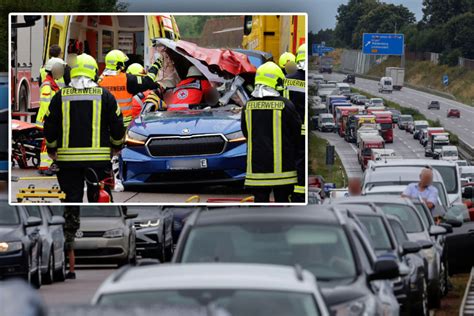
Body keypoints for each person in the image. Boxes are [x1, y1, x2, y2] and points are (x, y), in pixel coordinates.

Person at [43, 53, 125, 203]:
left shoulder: (60, 96)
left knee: (71, 200)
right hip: (99, 162)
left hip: (67, 162)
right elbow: (117, 124)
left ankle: (71, 225)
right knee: (99, 200)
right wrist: (116, 146)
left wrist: (52, 149)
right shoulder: (106, 96)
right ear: (94, 72)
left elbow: (50, 125)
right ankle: (98, 225)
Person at [241, 61, 303, 203]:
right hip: (284, 172)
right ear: (277, 81)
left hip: (256, 172)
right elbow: (296, 133)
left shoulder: (248, 106)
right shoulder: (286, 105)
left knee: (260, 207)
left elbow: (246, 133)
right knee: (282, 208)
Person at [98, 49, 163, 127]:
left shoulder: (99, 80)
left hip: (105, 125)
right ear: (119, 64)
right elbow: (148, 81)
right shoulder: (127, 79)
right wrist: (156, 65)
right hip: (123, 125)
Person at [36, 57, 67, 175]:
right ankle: (45, 166)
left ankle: (49, 164)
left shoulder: (52, 83)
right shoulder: (48, 85)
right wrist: (49, 119)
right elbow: (45, 104)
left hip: (50, 119)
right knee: (47, 141)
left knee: (51, 141)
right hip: (47, 119)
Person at [284, 44, 307, 202]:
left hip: (295, 129)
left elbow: (285, 105)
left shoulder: (289, 80)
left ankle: (297, 193)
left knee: (295, 161)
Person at [63, 206, 80, 279]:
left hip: (69, 226)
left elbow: (67, 214)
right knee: (70, 248)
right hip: (72, 225)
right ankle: (71, 271)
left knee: (69, 248)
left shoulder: (70, 208)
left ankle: (71, 271)